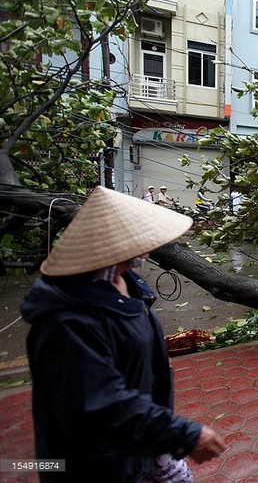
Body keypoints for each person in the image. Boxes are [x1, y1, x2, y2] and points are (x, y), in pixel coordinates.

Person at [21, 187, 227, 482]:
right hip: (97, 466)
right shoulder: (66, 322)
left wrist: (160, 444)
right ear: (115, 246)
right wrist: (182, 434)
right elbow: (98, 405)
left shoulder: (126, 282)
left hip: (140, 447)